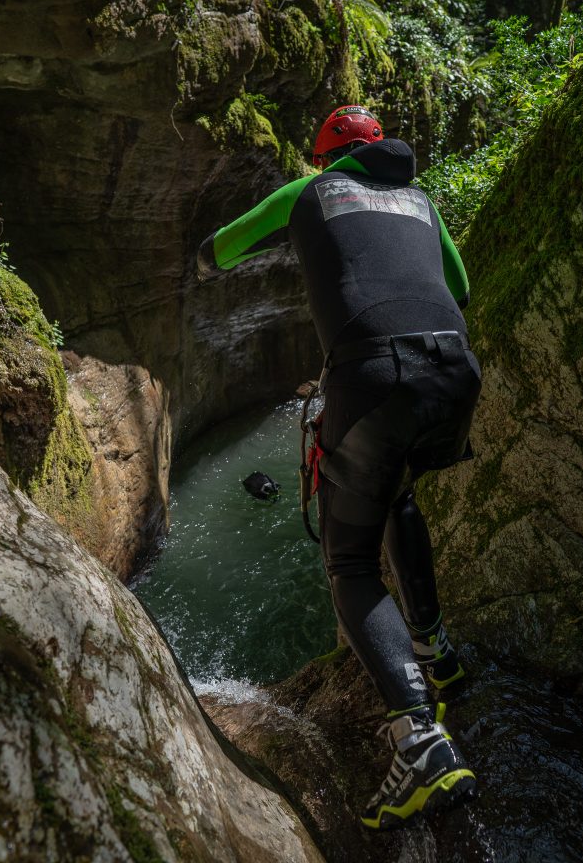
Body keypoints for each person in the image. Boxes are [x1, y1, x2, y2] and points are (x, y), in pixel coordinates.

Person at [196, 105, 481, 829]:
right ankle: (435, 649)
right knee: (397, 492)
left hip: (374, 375)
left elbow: (220, 251)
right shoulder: (420, 200)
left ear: (324, 160)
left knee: (347, 561)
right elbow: (462, 287)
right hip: (451, 370)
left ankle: (417, 737)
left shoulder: (306, 193)